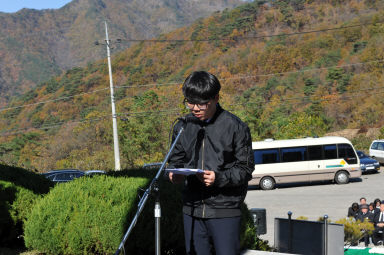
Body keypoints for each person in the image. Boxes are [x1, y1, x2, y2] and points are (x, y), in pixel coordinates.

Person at [168, 71, 254, 255]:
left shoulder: (236, 127)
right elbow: (175, 160)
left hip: (225, 210)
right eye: (189, 102)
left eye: (201, 103)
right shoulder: (182, 126)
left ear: (216, 98)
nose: (194, 108)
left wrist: (219, 178)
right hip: (191, 209)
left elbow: (245, 169)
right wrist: (173, 174)